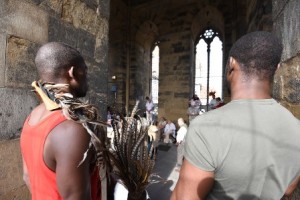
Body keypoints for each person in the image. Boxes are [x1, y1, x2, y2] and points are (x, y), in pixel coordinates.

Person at [171, 31, 300, 199]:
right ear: (276, 68)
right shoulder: (297, 128)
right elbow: (288, 190)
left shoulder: (206, 128)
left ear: (232, 63)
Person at [20, 42, 101, 200]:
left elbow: (27, 177)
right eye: (85, 71)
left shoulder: (32, 117)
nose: (88, 78)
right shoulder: (71, 128)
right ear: (72, 73)